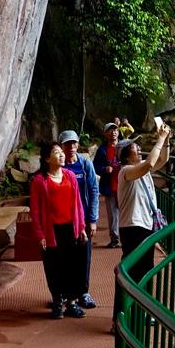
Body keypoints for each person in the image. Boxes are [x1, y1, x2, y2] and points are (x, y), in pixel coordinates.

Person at [112, 123, 172, 329]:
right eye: (134, 147)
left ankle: (142, 311)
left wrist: (167, 139)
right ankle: (119, 317)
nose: (139, 149)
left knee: (146, 271)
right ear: (125, 155)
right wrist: (160, 138)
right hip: (132, 228)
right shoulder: (127, 171)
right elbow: (149, 164)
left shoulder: (141, 170)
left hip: (145, 226)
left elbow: (162, 160)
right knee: (130, 272)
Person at [29, 141, 88, 319]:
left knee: (73, 266)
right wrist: (40, 234)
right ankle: (57, 302)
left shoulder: (70, 176)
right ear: (47, 158)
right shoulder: (39, 181)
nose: (62, 155)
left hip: (71, 228)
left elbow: (78, 204)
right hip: (51, 231)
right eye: (57, 152)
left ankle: (72, 303)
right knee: (54, 267)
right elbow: (35, 210)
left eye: (62, 152)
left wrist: (82, 227)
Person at [59, 130, 99, 308]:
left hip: (83, 218)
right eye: (67, 144)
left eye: (74, 143)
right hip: (64, 219)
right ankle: (65, 293)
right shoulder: (59, 166)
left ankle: (83, 292)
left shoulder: (84, 164)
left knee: (84, 256)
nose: (71, 147)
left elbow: (94, 190)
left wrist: (93, 219)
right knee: (65, 256)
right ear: (61, 146)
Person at [94, 122, 122, 248]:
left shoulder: (124, 146)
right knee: (112, 214)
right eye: (110, 130)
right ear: (105, 134)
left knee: (127, 212)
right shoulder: (102, 150)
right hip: (109, 185)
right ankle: (115, 239)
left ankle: (127, 238)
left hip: (124, 185)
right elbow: (95, 166)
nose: (113, 132)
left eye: (115, 130)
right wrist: (105, 169)